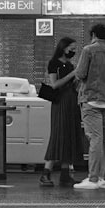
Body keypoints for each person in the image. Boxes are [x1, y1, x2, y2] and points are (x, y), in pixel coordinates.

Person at [73, 23, 105, 190]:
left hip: (92, 99)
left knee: (95, 139)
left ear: (93, 34)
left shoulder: (89, 50)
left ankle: (93, 178)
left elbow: (80, 74)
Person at [39, 37, 85, 187]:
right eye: (71, 47)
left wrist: (78, 78)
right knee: (58, 136)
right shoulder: (54, 63)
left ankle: (65, 175)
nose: (73, 51)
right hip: (61, 103)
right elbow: (55, 84)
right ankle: (45, 173)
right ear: (63, 47)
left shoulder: (70, 65)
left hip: (72, 101)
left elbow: (73, 84)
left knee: (69, 136)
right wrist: (72, 75)